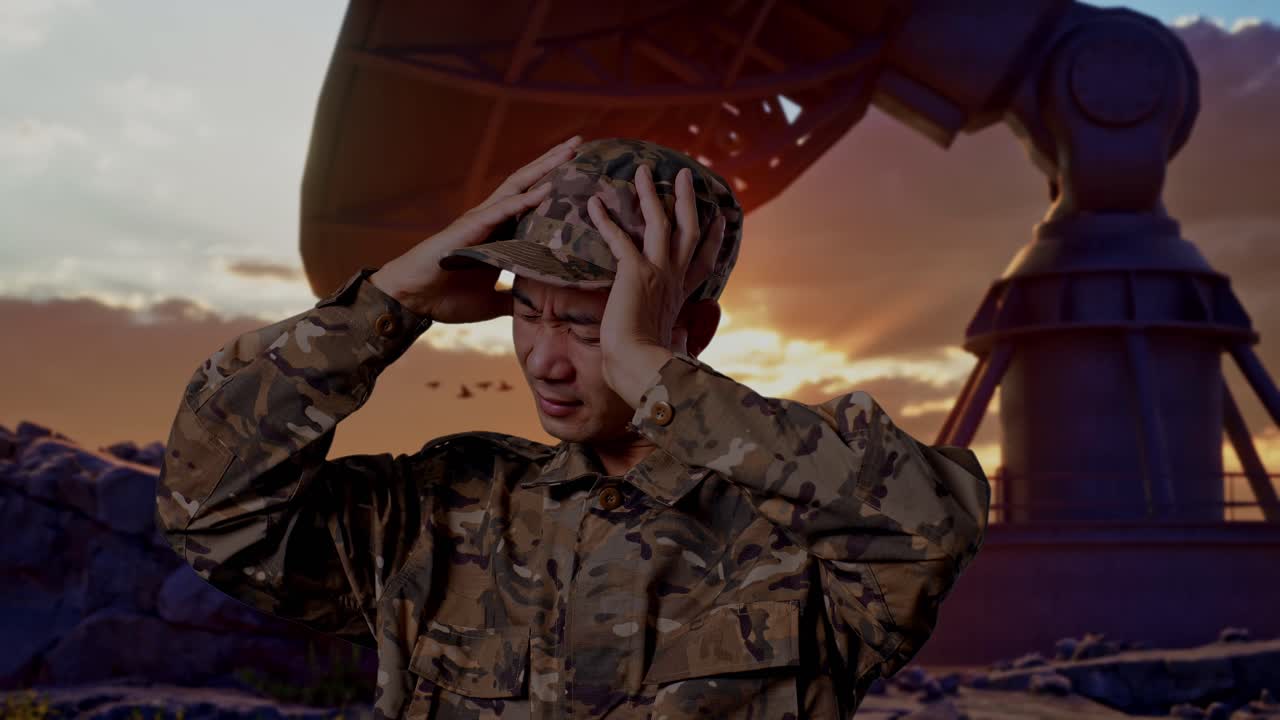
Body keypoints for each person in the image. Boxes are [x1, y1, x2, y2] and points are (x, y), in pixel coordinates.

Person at [156, 135, 991, 719]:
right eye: (528, 313)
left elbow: (925, 527)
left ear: (689, 331)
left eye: (589, 328)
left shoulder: (794, 533)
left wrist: (653, 372)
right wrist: (384, 305)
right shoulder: (444, 510)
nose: (545, 361)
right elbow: (213, 511)